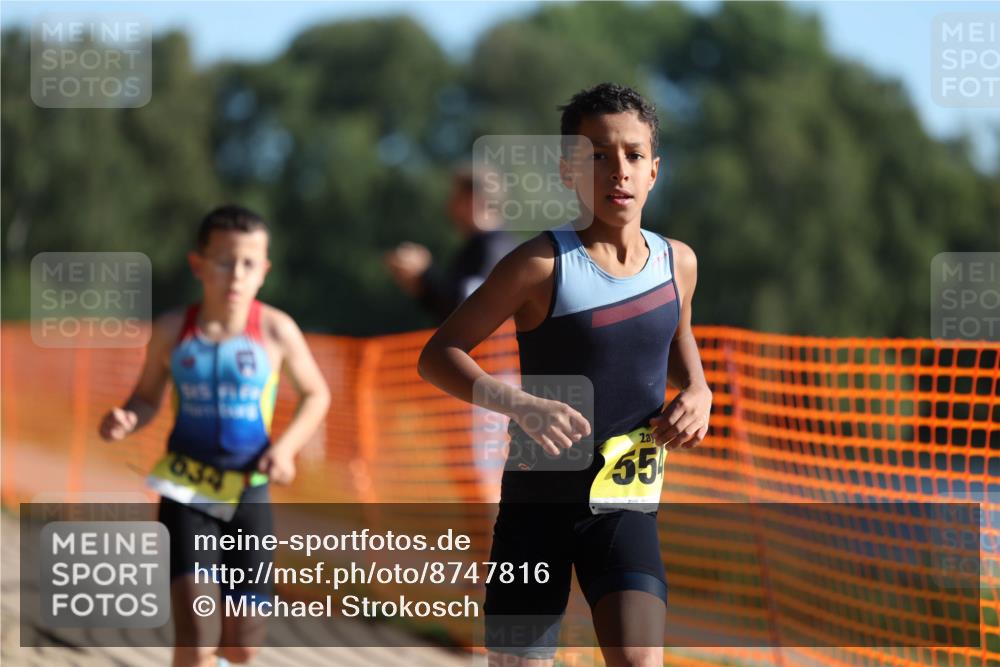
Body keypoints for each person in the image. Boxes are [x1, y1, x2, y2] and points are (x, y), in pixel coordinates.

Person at [418, 83, 712, 666]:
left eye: (632, 155)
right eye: (597, 156)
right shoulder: (538, 266)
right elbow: (439, 354)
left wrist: (699, 389)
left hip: (625, 507)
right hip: (537, 508)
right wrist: (520, 405)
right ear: (567, 171)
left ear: (655, 170)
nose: (617, 171)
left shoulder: (678, 262)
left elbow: (677, 340)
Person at [99, 205, 331, 667]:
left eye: (249, 263)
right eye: (224, 261)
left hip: (249, 494)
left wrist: (284, 450)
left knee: (242, 643)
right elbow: (145, 398)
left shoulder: (275, 329)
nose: (236, 275)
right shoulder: (171, 331)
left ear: (264, 270)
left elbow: (316, 395)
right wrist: (127, 418)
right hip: (186, 491)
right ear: (198, 265)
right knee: (198, 631)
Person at [385, 165, 518, 323]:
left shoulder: (492, 249)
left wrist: (425, 274)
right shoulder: (492, 246)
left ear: (473, 201)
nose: (449, 206)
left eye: (456, 197)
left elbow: (468, 311)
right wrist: (421, 284)